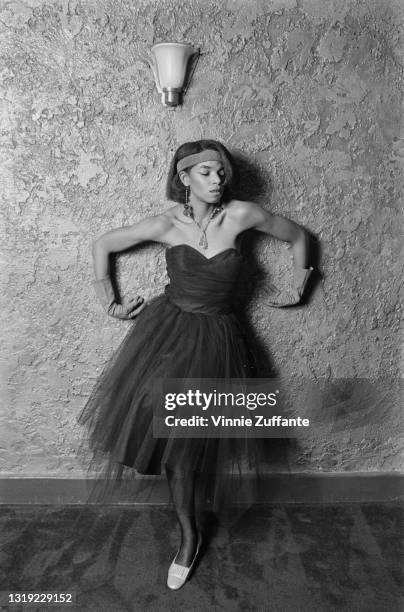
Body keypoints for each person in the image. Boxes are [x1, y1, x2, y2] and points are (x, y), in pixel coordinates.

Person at [78, 139, 312, 590]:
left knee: (197, 436)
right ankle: (189, 534)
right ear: (184, 178)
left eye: (221, 171)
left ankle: (191, 529)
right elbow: (104, 244)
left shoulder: (242, 214)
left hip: (220, 337)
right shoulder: (166, 223)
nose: (217, 179)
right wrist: (110, 300)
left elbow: (300, 236)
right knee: (168, 429)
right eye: (205, 171)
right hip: (169, 333)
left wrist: (302, 284)